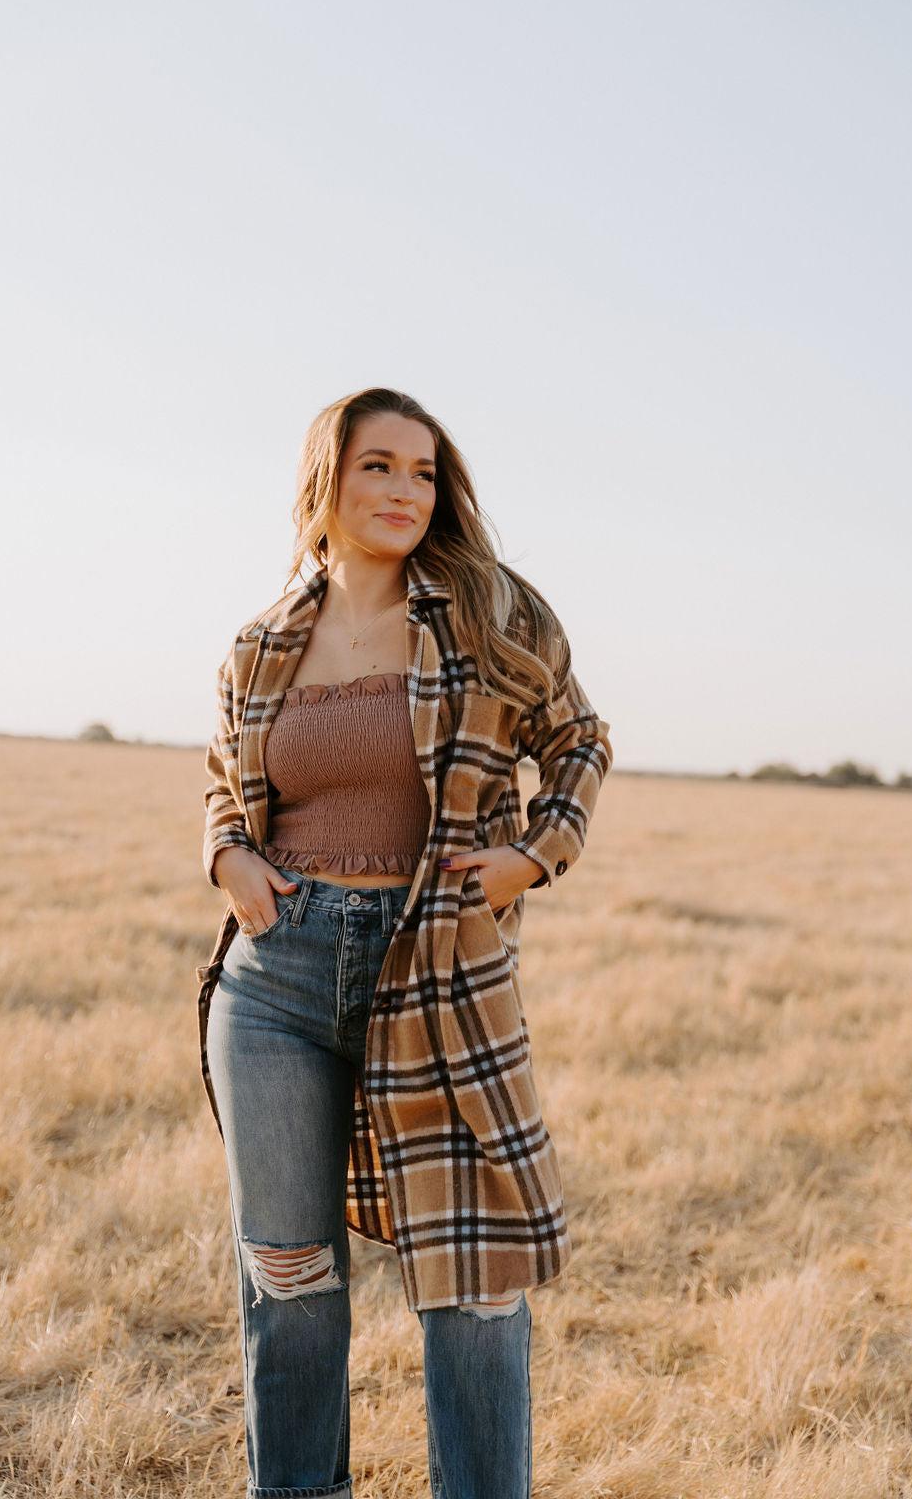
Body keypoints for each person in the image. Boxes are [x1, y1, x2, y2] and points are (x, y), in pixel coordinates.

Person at [198, 386, 613, 1498]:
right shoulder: (260, 645)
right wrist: (227, 856)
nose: (404, 491)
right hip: (277, 978)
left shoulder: (487, 610)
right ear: (325, 481)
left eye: (423, 472)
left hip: (439, 975)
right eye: (377, 465)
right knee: (287, 1276)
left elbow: (578, 741)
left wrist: (534, 855)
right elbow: (224, 782)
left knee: (476, 1283)